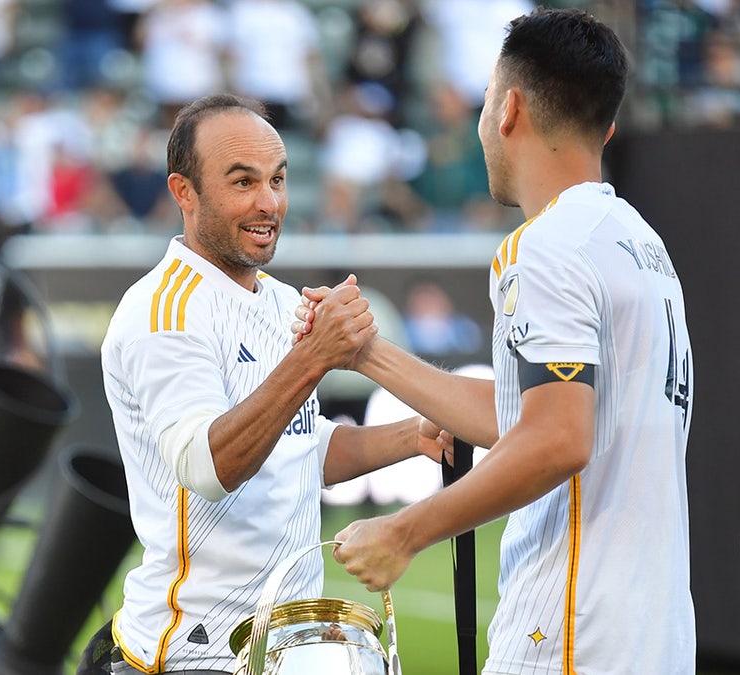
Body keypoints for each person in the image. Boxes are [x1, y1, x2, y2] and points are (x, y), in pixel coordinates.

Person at [296, 8, 696, 673]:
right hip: (653, 633)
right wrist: (367, 353)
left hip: (570, 630)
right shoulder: (642, 245)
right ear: (607, 127)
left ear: (508, 109)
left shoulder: (547, 246)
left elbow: (557, 439)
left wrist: (405, 530)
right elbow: (536, 415)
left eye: (485, 99)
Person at [81, 94, 450, 675]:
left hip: (279, 647)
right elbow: (208, 467)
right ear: (183, 192)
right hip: (187, 654)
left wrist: (412, 436)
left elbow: (300, 450)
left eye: (277, 179)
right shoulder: (162, 311)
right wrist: (312, 360)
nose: (269, 202)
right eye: (242, 182)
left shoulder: (280, 301)